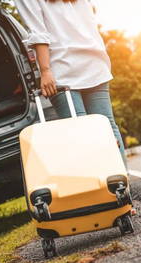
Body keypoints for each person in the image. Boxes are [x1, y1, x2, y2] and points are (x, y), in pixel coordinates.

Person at [14, 0, 127, 166]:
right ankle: (121, 182)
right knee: (107, 127)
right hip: (94, 62)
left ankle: (101, 183)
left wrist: (45, 71)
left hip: (62, 69)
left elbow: (39, 34)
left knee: (80, 132)